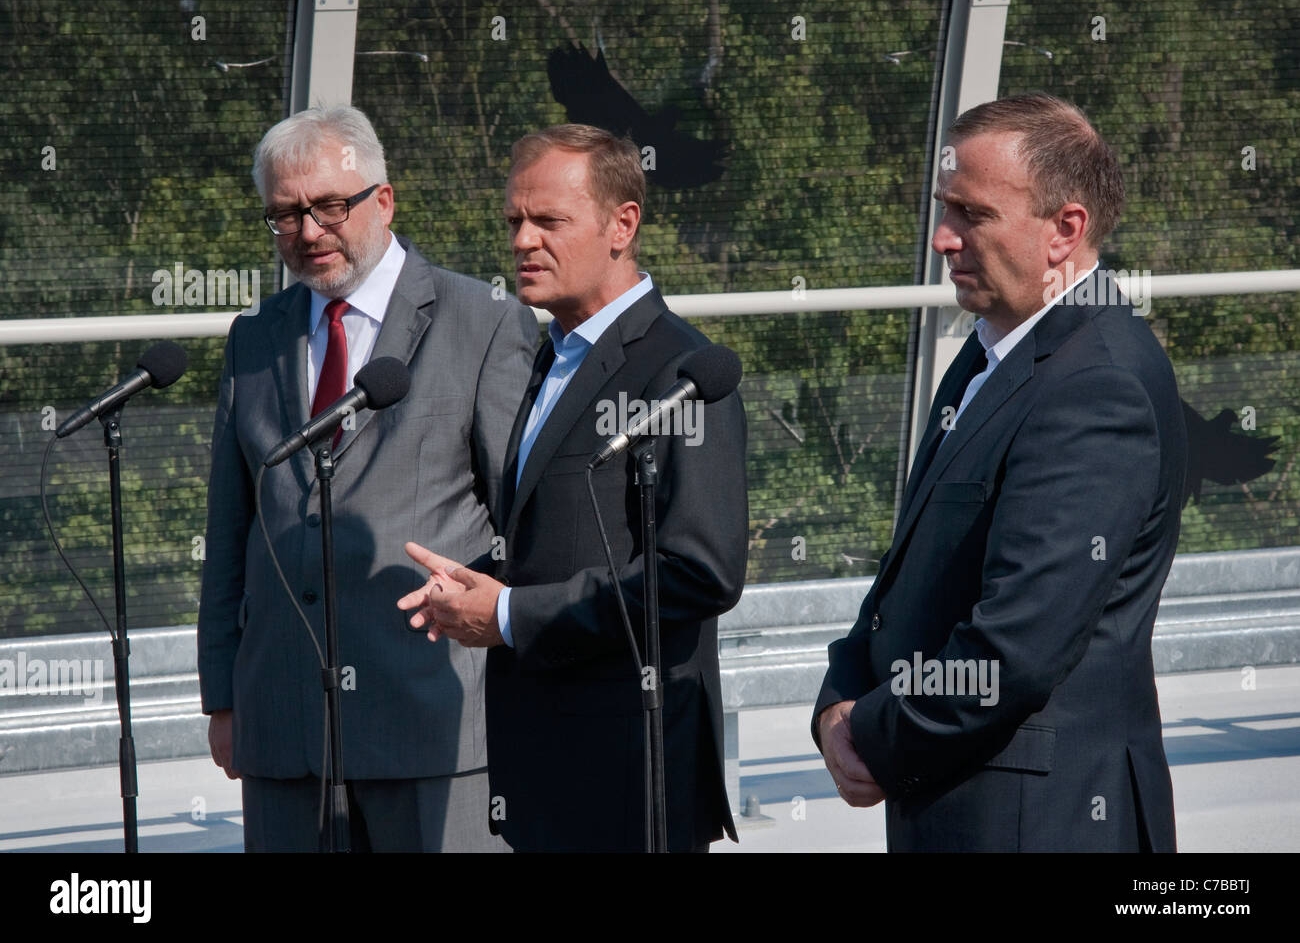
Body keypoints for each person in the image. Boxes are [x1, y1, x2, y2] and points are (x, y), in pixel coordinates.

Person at [813, 93, 1187, 851]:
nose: (942, 238)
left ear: (1066, 230)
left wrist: (875, 728)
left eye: (972, 214)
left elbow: (1014, 648)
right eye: (943, 207)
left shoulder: (1096, 384)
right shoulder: (993, 348)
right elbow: (911, 573)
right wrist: (838, 699)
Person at [397, 124, 747, 852]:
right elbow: (562, 537)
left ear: (623, 224)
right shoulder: (549, 356)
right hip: (546, 771)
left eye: (548, 220)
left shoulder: (683, 370)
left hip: (629, 773)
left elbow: (699, 571)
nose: (523, 240)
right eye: (514, 221)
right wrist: (478, 588)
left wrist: (515, 613)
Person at [197, 105, 537, 851]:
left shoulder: (483, 323)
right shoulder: (254, 339)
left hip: (432, 724)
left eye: (328, 206)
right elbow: (230, 532)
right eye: (285, 215)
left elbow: (528, 520)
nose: (309, 231)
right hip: (284, 726)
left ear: (383, 200)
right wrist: (222, 696)